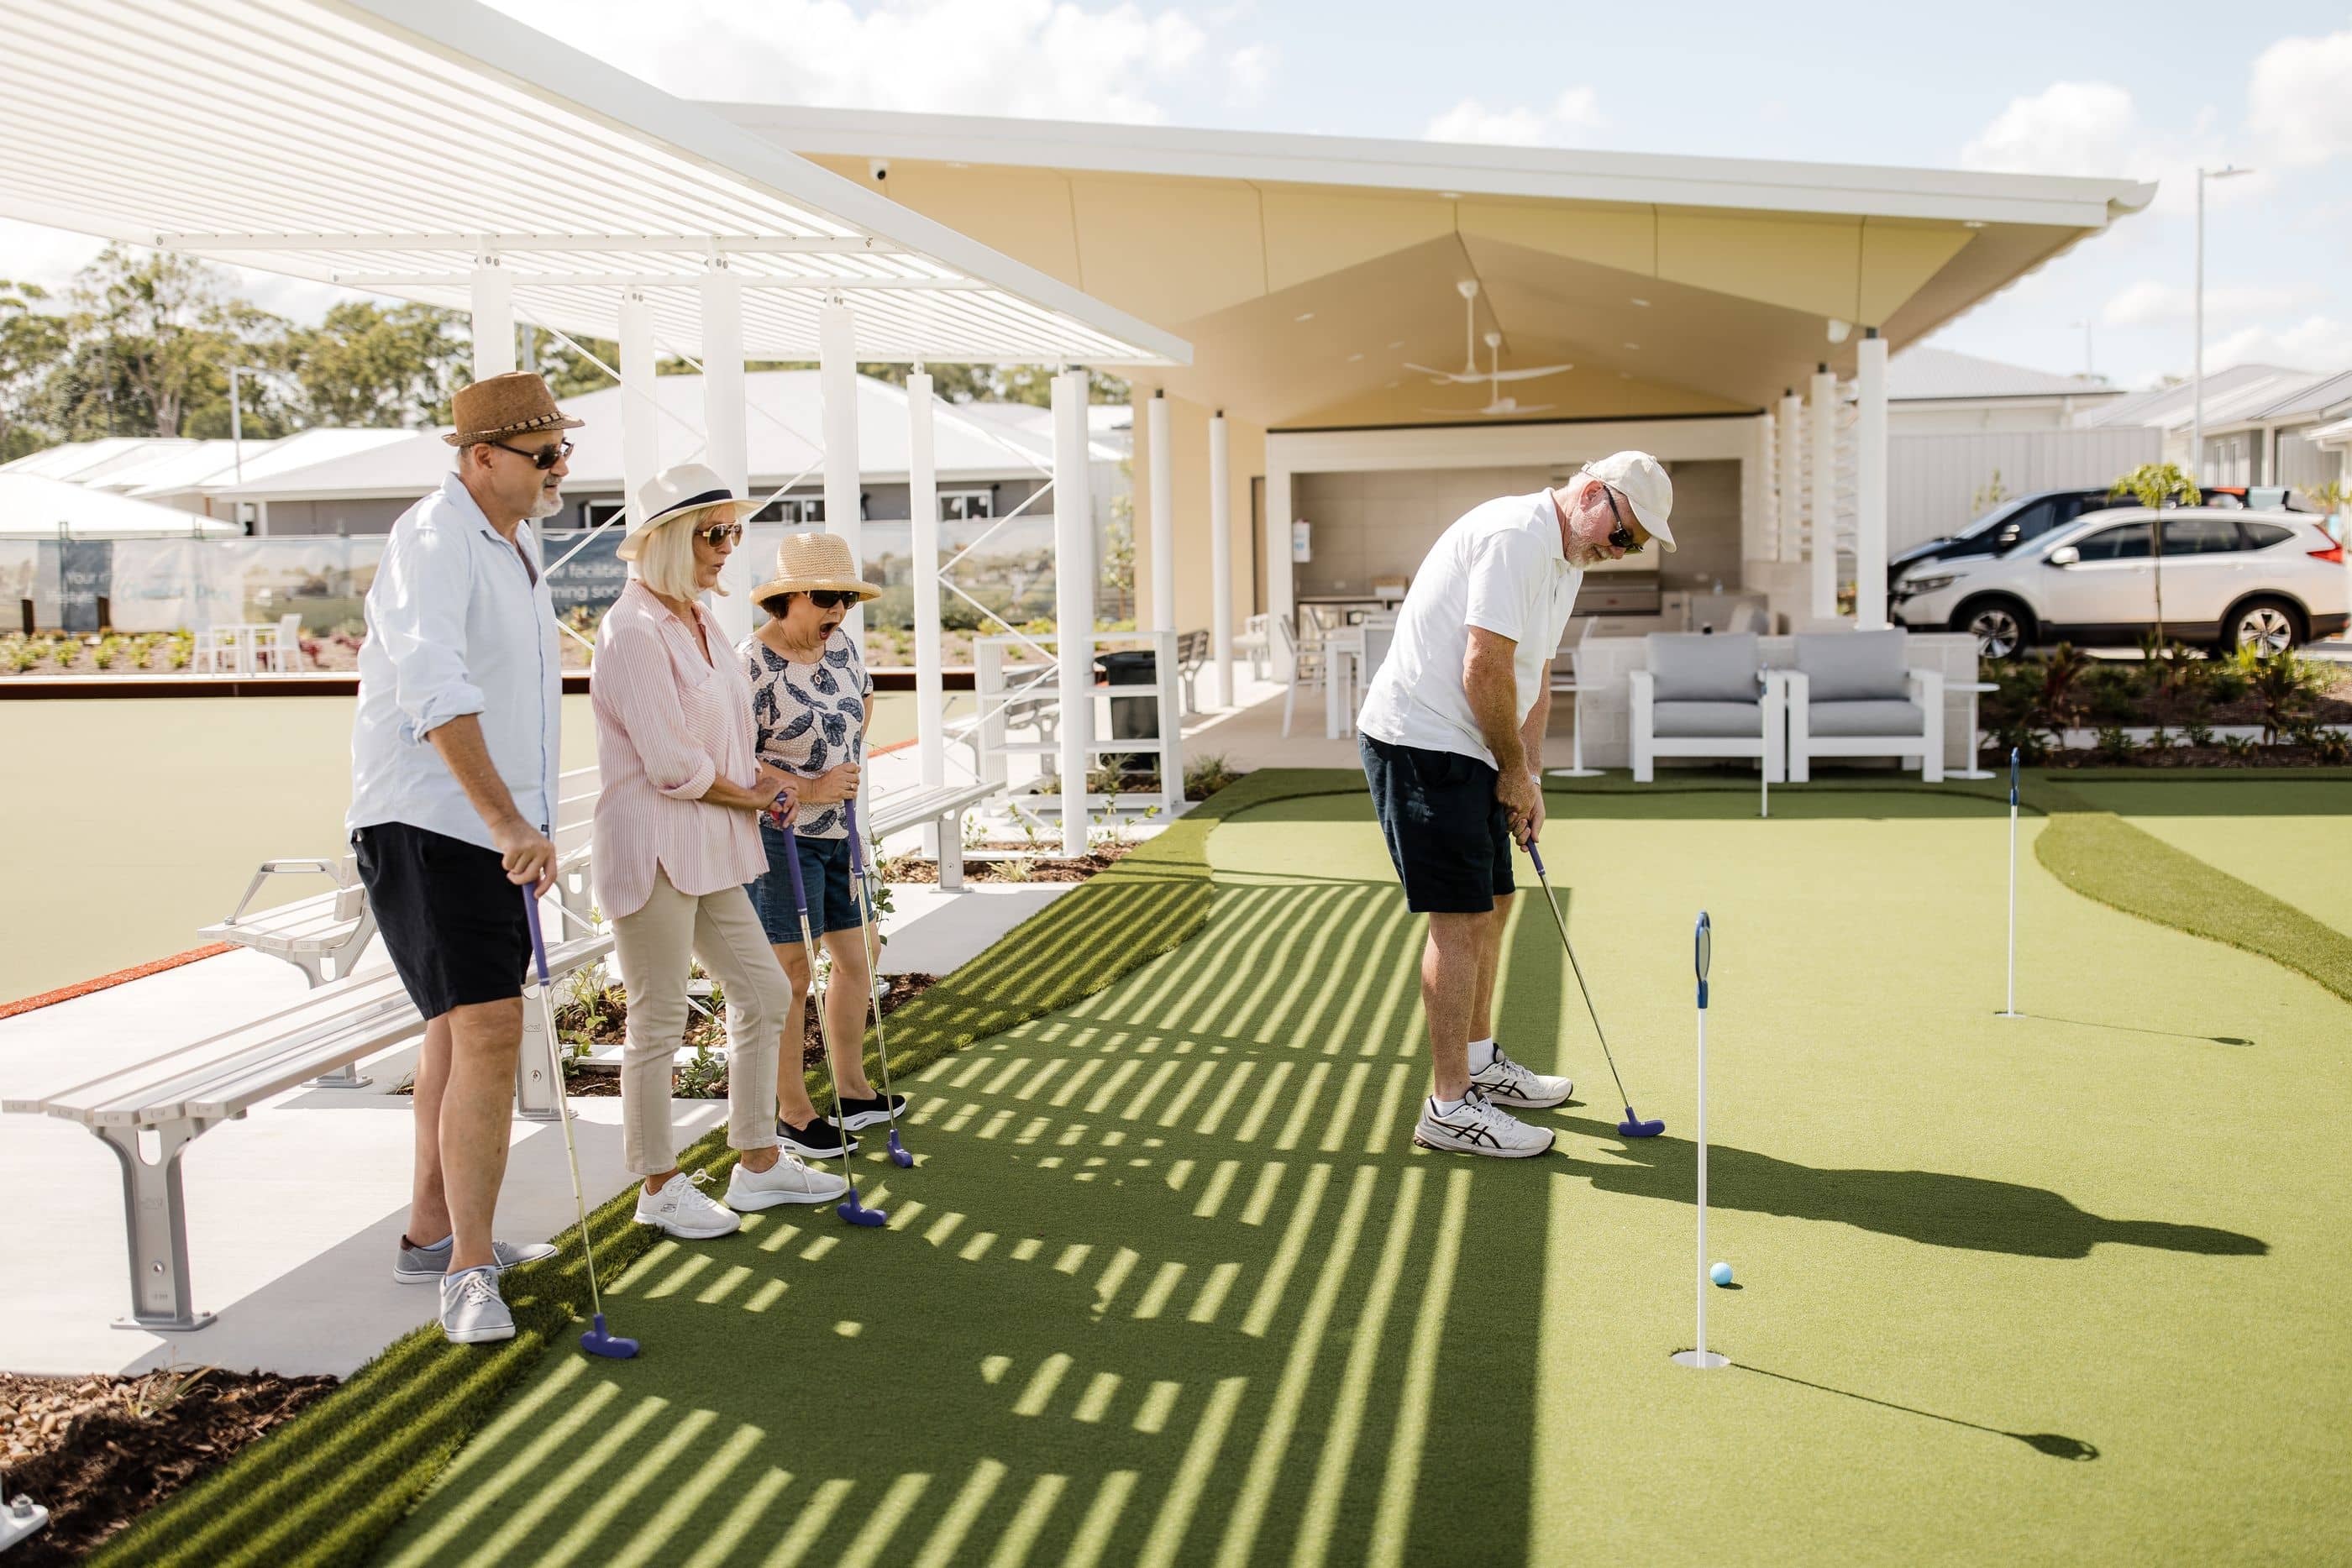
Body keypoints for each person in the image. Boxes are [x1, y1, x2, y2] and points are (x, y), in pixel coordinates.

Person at [1356, 452, 1677, 1157]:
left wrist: (1530, 774)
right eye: (1622, 534)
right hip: (1424, 738)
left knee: (1495, 901)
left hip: (1473, 739)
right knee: (1460, 916)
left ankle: (1478, 1062)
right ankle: (1448, 1106)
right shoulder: (1517, 538)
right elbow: (1485, 666)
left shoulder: (1564, 560)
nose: (1620, 552)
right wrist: (1509, 768)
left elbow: (1536, 674)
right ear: (1593, 493)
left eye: (1636, 546)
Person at [350, 371, 579, 1345]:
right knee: (488, 1029)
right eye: (545, 455)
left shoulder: (516, 540)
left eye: (564, 451)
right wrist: (510, 825)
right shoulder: (436, 540)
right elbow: (434, 690)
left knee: (457, 1031)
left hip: (484, 825)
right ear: (482, 458)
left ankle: (433, 1235)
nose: (560, 469)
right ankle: (469, 1271)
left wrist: (524, 817)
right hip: (432, 823)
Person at [591, 465, 848, 1242]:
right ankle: (658, 1185)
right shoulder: (632, 630)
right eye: (714, 533)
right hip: (657, 848)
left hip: (714, 848)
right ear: (669, 541)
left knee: (766, 993)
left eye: (733, 531)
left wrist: (771, 779)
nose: (727, 548)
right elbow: (672, 764)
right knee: (659, 1018)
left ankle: (759, 1165)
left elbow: (731, 743)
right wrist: (767, 797)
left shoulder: (699, 622)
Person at [739, 532, 906, 1156]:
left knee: (861, 952)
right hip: (779, 839)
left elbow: (861, 697)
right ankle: (793, 1111)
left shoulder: (841, 649)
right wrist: (810, 784)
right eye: (827, 598)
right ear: (790, 597)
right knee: (790, 973)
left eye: (846, 599)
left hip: (841, 833)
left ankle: (853, 1088)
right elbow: (737, 761)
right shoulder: (750, 664)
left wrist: (846, 756)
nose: (838, 611)